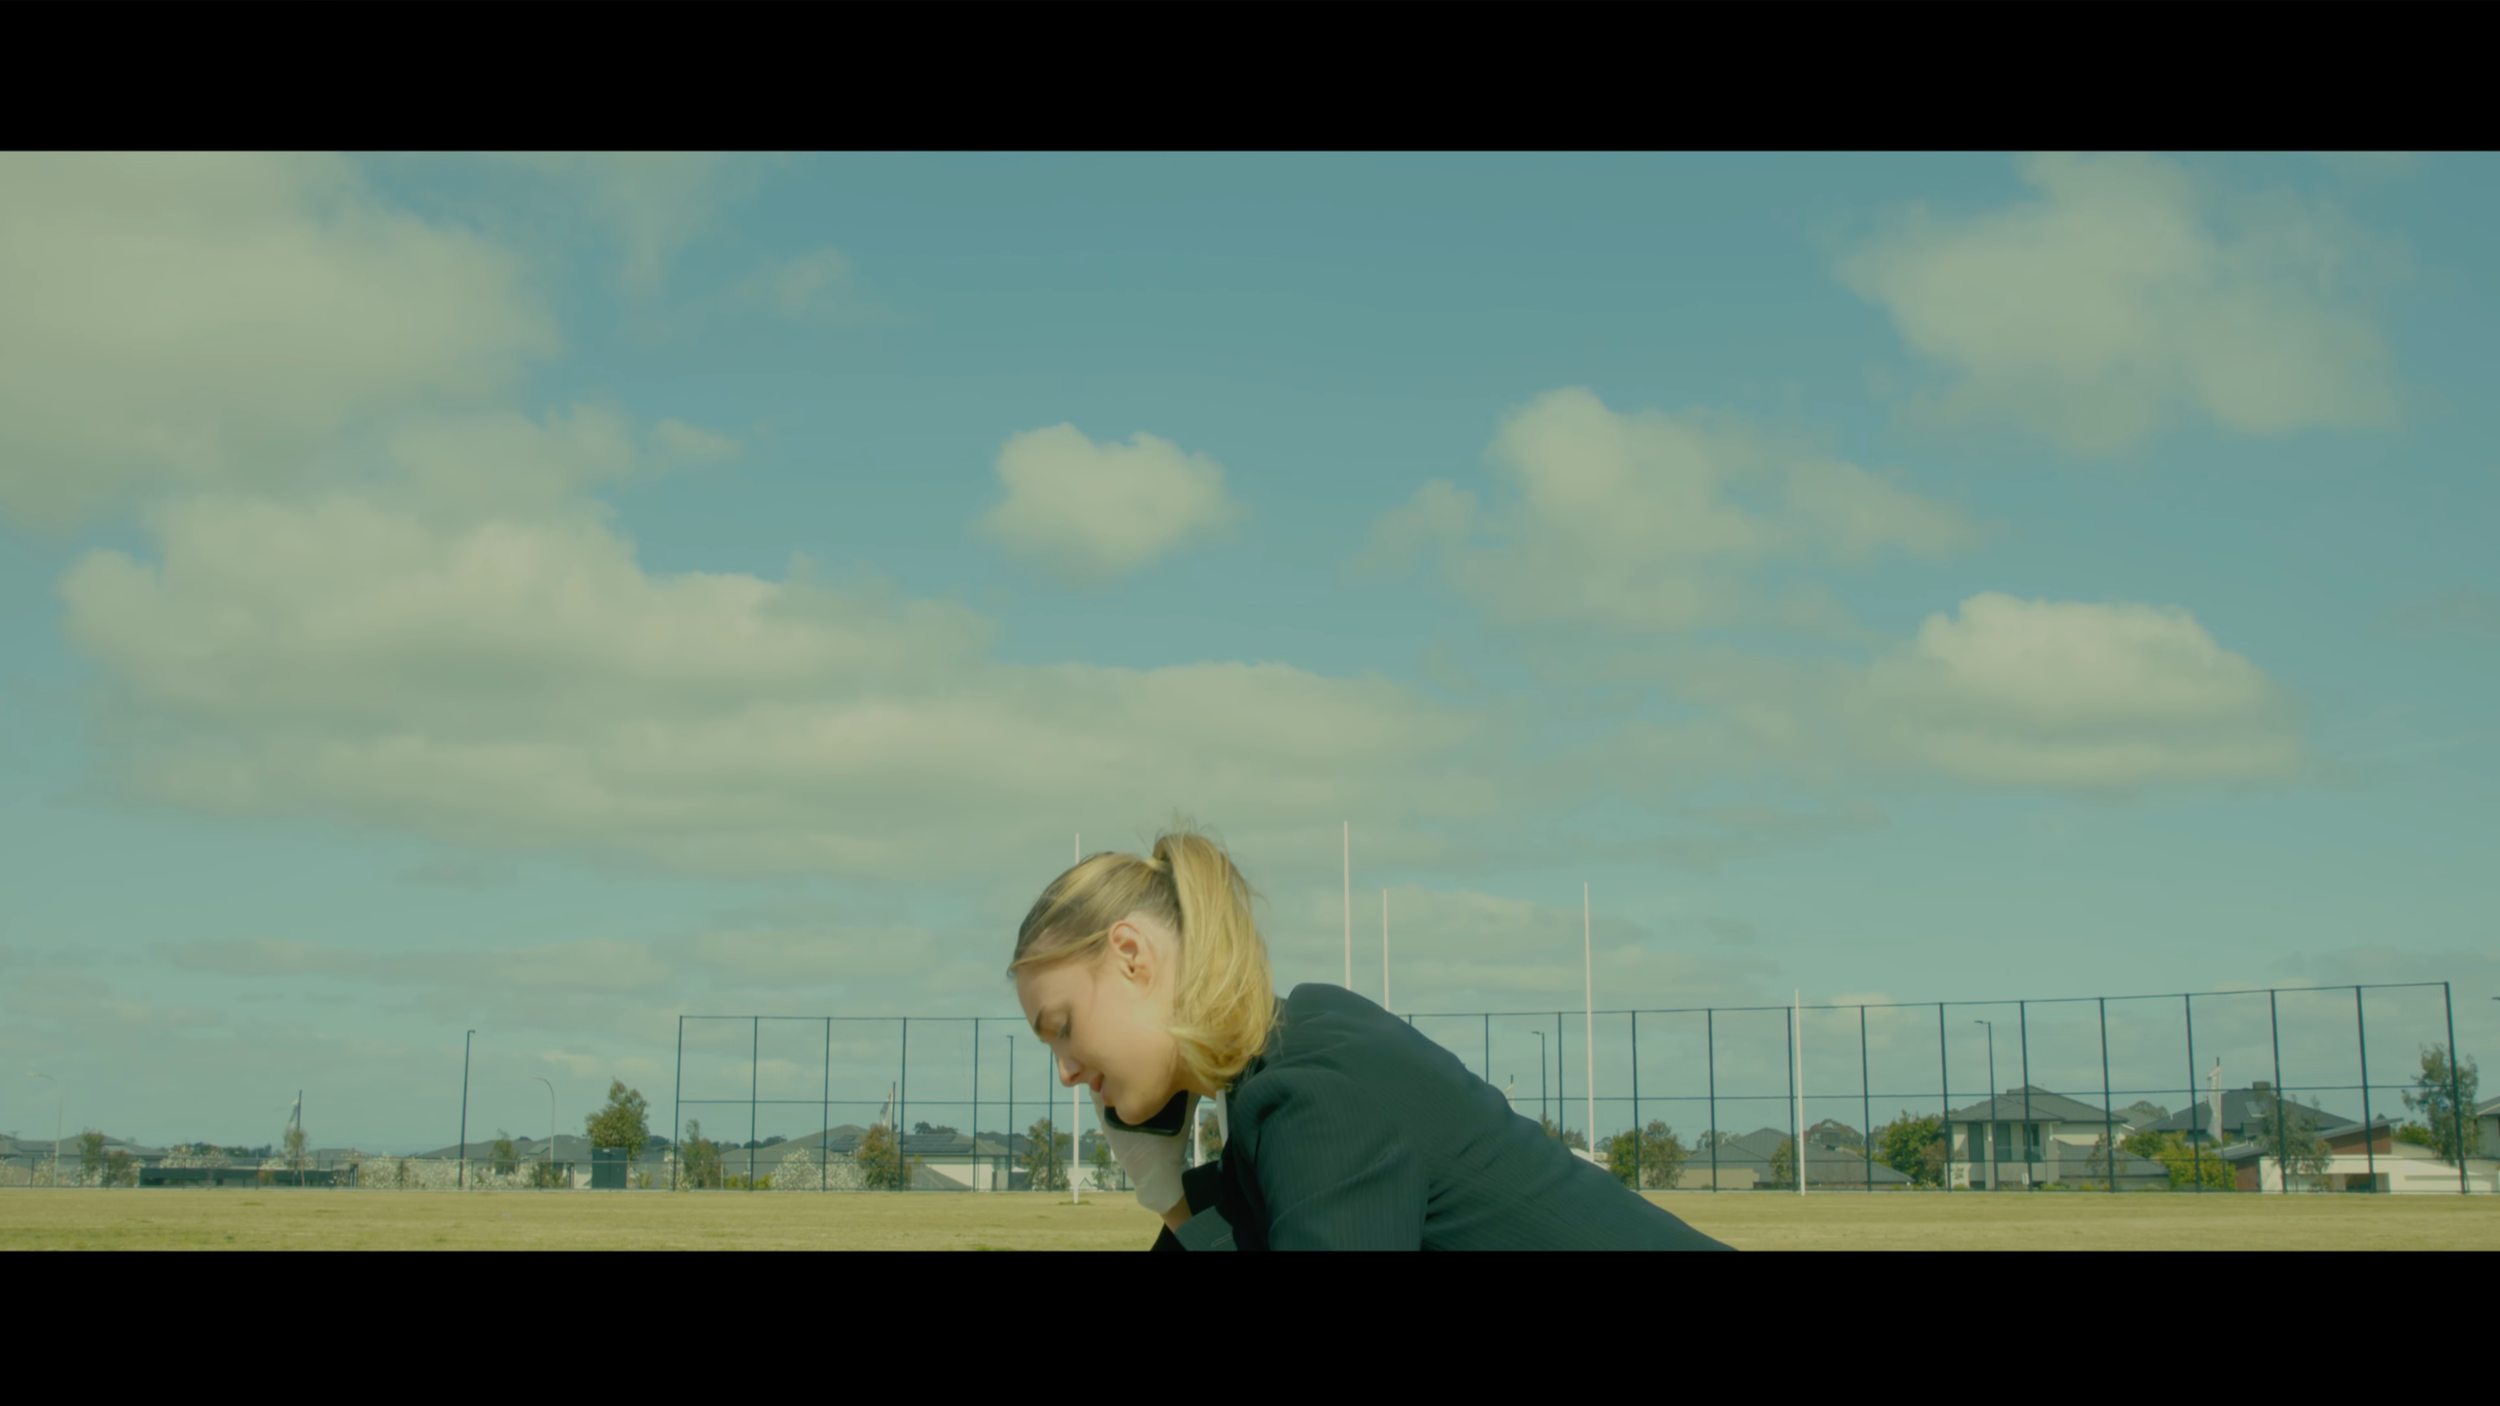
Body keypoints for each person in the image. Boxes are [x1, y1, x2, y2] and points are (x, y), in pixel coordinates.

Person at [1010, 822, 1732, 1250]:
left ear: (1133, 956)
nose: (1066, 1071)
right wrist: (1166, 1189)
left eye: (1063, 1028)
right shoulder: (1284, 1062)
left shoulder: (1313, 1092)